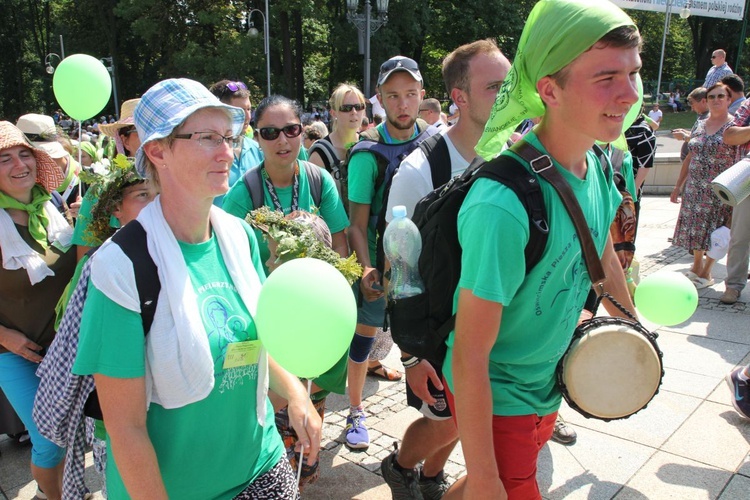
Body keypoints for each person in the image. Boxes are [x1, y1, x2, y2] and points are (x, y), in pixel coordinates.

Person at [72, 78, 321, 499]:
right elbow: (125, 426)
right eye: (206, 138)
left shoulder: (240, 238)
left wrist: (296, 393)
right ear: (156, 151)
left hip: (261, 468)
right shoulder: (120, 266)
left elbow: (258, 337)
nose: (227, 152)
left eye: (228, 137)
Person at [445, 1, 639, 497]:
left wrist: (632, 332)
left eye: (633, 73)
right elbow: (469, 355)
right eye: (606, 77)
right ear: (549, 89)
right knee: (499, 486)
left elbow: (603, 255)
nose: (629, 93)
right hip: (498, 393)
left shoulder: (596, 165)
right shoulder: (504, 204)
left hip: (546, 380)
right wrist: (486, 473)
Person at [382, 39, 511, 499]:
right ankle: (399, 467)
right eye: (496, 86)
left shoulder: (515, 155)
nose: (509, 95)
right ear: (459, 96)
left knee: (465, 419)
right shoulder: (421, 169)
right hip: (440, 327)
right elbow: (399, 265)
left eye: (510, 84)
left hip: (493, 322)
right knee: (449, 419)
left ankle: (432, 477)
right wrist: (413, 356)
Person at [35, 155, 157, 499]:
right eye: (142, 196)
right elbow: (78, 345)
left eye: (157, 193)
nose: (154, 203)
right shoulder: (101, 264)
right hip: (114, 414)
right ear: (116, 210)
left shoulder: (175, 250)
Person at [344, 55, 428, 451]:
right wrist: (365, 269)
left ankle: (434, 414)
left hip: (425, 266)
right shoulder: (367, 152)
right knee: (364, 338)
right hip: (380, 268)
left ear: (422, 95)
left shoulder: (435, 138)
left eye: (410, 94)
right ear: (379, 98)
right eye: (393, 95)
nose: (402, 104)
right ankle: (356, 410)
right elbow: (357, 223)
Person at [247, 207, 361, 491]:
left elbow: (321, 372)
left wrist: (263, 403)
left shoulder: (326, 303)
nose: (270, 262)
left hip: (292, 401)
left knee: (291, 468)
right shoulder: (283, 294)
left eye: (277, 255)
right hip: (284, 397)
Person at [0, 120, 75, 500]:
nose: (19, 165)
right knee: (48, 439)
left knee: (76, 434)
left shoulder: (53, 207)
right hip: (14, 353)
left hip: (65, 349)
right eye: (4, 159)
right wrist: (5, 337)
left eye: (24, 154)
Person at [221, 95, 349, 269]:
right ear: (257, 138)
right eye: (270, 133)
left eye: (291, 130)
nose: (282, 141)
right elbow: (230, 262)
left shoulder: (320, 180)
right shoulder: (242, 194)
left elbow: (339, 245)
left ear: (302, 132)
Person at [670, 83, 736, 289]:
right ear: (706, 100)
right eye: (711, 96)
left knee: (716, 229)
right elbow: (691, 154)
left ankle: (707, 271)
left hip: (719, 189)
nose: (716, 100)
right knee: (695, 228)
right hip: (695, 187)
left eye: (720, 96)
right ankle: (696, 265)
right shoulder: (699, 124)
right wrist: (678, 185)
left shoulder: (734, 126)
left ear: (728, 100)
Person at [71, 99, 142, 260]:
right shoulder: (103, 186)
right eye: (143, 131)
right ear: (125, 140)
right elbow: (85, 255)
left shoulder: (177, 181)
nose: (155, 138)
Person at [720, 95, 750, 304]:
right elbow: (730, 135)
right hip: (747, 180)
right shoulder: (748, 104)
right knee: (740, 236)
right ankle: (734, 285)